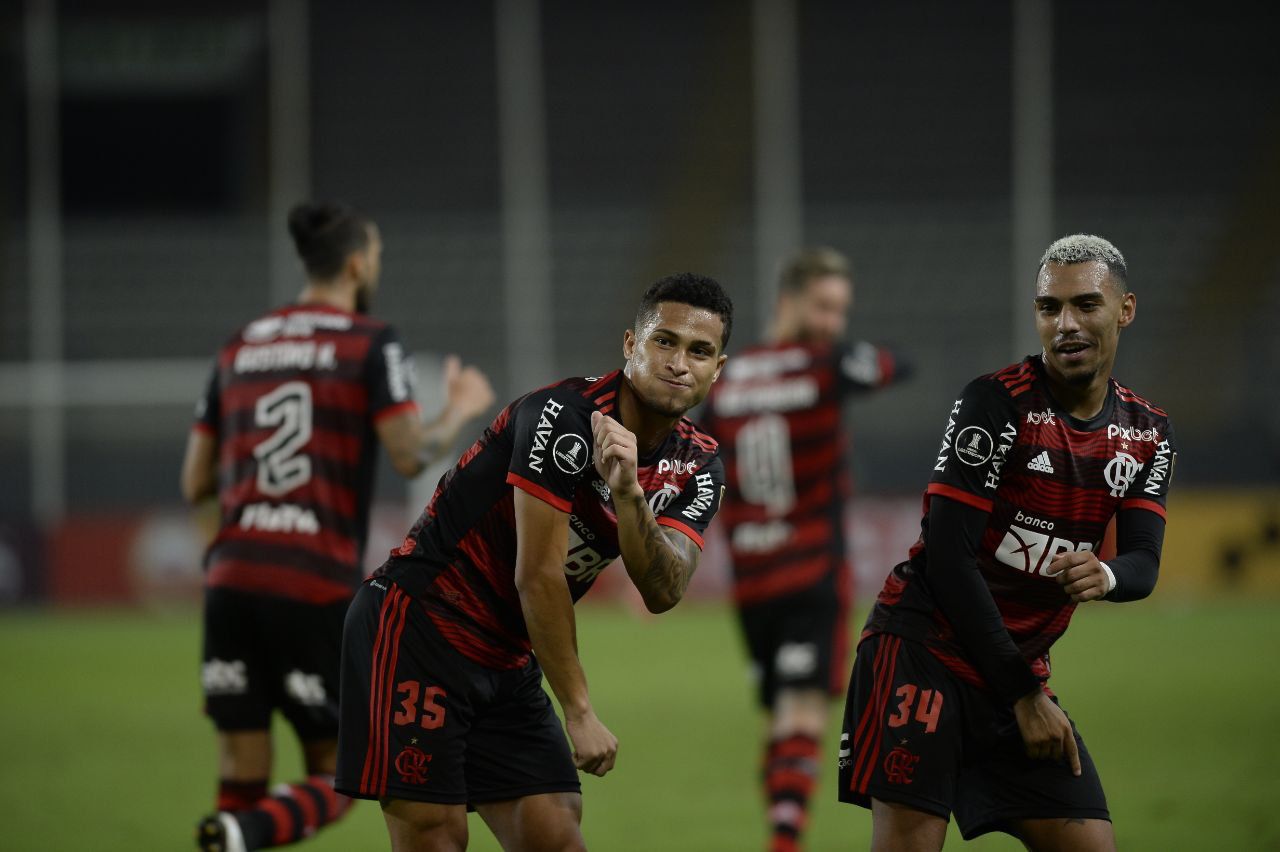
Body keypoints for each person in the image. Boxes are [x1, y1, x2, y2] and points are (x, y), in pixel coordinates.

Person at [335, 273, 733, 851]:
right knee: (436, 837)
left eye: (699, 351)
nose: (678, 362)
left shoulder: (700, 465)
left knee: (555, 835)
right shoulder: (561, 416)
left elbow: (664, 590)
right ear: (630, 345)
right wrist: (578, 709)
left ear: (717, 369)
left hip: (505, 655)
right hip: (419, 628)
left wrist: (629, 496)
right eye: (664, 341)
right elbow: (537, 574)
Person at [837, 234, 1177, 850]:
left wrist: (1105, 575)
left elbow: (1143, 562)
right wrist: (1023, 695)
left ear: (1124, 311)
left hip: (1014, 671)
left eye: (1086, 305)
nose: (1066, 324)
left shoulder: (1147, 432)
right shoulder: (995, 404)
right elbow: (947, 558)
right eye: (1050, 308)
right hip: (925, 652)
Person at [181, 201, 495, 852]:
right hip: (313, 581)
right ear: (357, 262)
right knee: (340, 773)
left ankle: (237, 825)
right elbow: (410, 453)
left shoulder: (240, 344)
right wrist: (459, 411)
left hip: (232, 575)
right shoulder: (368, 341)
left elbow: (194, 482)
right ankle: (243, 831)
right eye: (375, 256)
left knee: (241, 770)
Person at [700, 247, 909, 852]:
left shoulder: (725, 374)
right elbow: (898, 366)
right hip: (812, 568)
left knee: (782, 715)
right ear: (786, 300)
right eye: (823, 306)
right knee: (800, 715)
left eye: (839, 310)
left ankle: (781, 830)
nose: (832, 322)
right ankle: (785, 841)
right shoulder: (829, 365)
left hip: (751, 576)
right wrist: (862, 361)